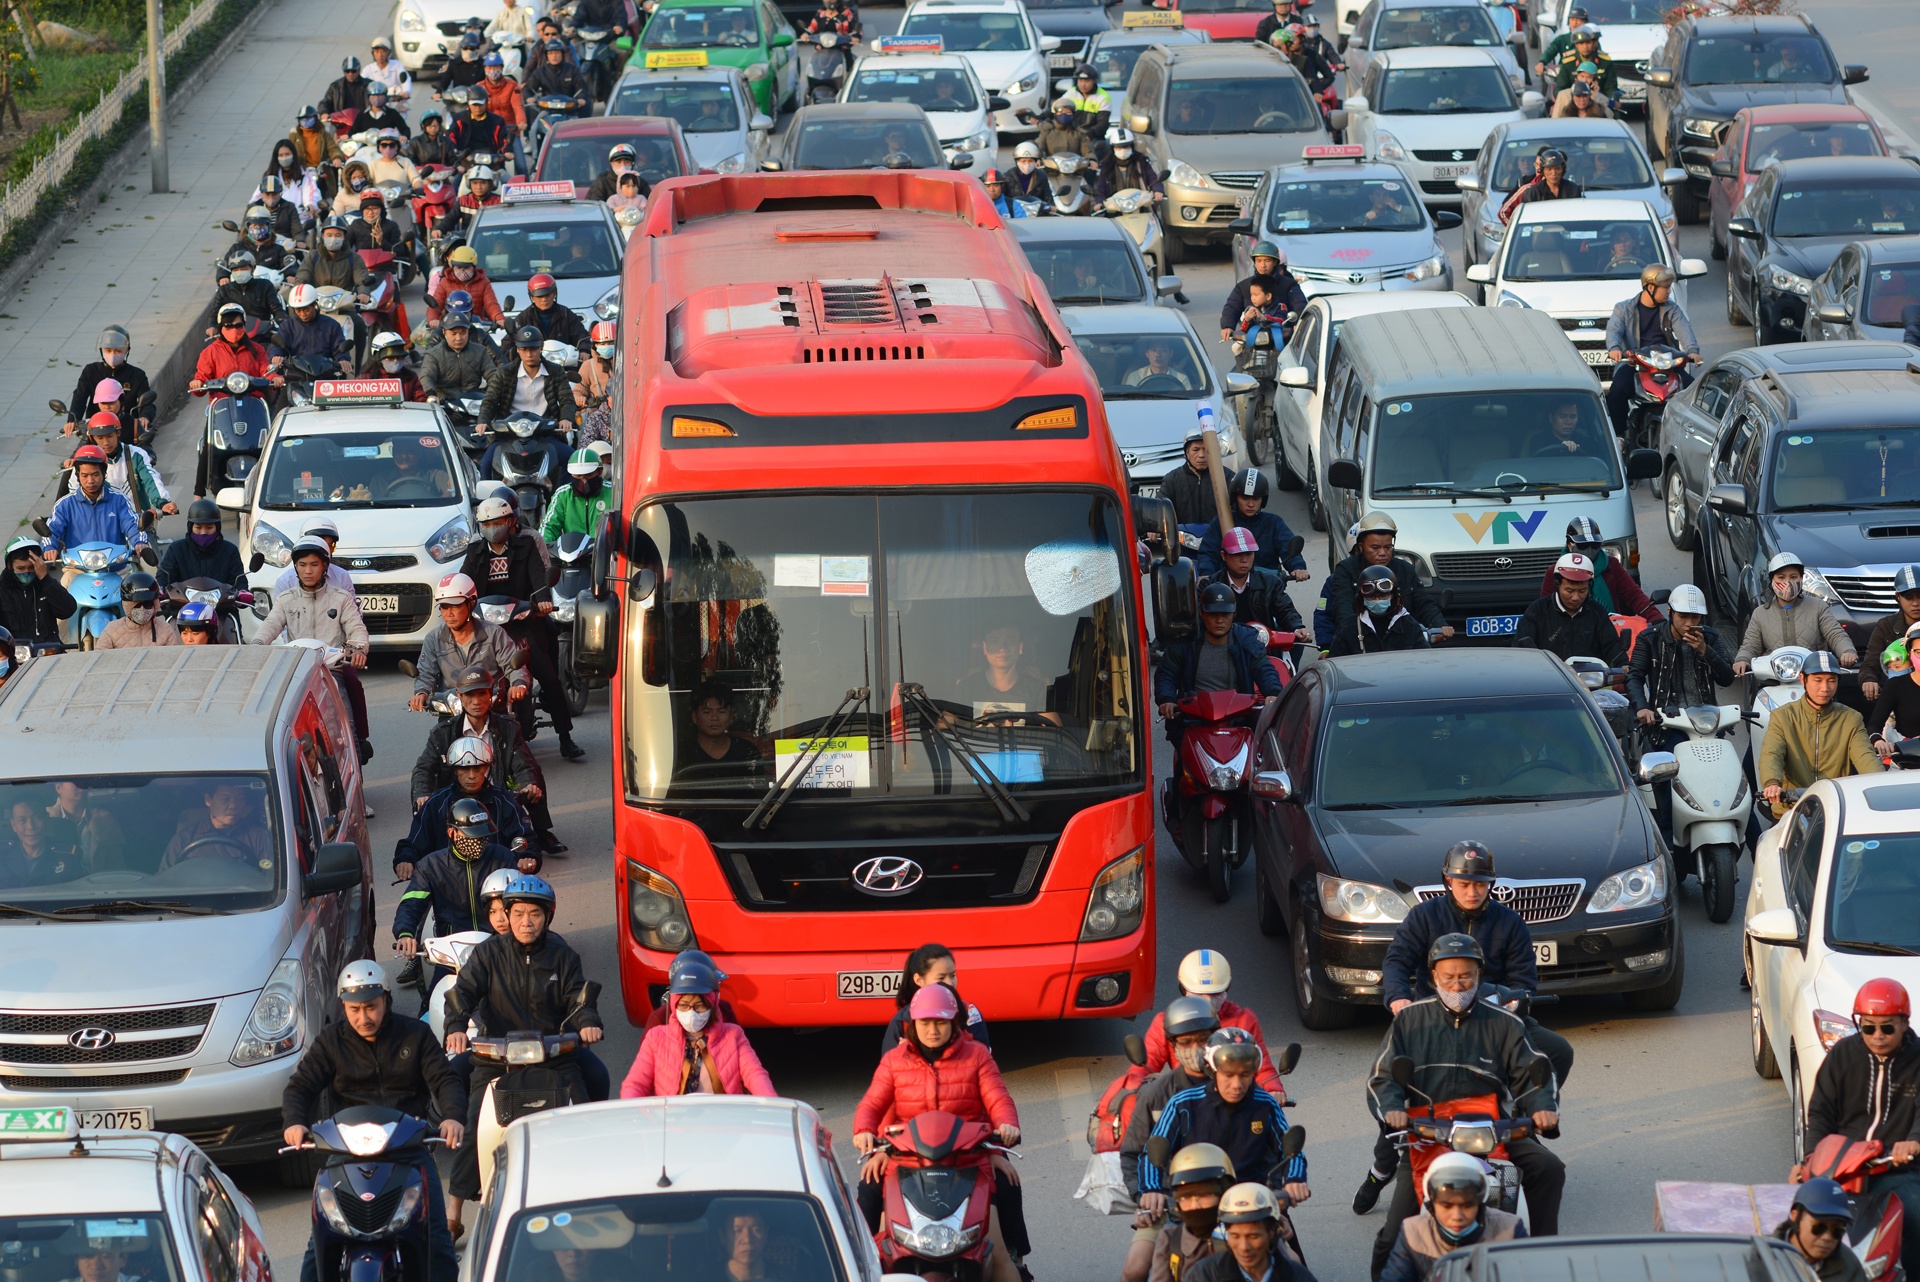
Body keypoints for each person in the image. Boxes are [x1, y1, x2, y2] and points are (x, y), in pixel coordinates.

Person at [1361, 840, 1575, 1209]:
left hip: (1493, 1019)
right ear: (1448, 881)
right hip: (1433, 1019)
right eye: (1464, 884)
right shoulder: (1424, 917)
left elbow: (1525, 981)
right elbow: (1397, 961)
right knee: (1400, 1083)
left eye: (1480, 884)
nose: (1472, 892)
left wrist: (1514, 1000)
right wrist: (1398, 998)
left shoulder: (1510, 922)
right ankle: (1383, 1168)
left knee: (1556, 1050)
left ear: (1491, 884)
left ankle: (1518, 1124)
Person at [1366, 934, 1562, 1276]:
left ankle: (1542, 1256)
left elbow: (1532, 1075)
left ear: (1480, 974)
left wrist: (1542, 1109)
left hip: (1493, 1130)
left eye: (1466, 976)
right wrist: (1393, 1109)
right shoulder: (1409, 1021)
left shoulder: (1505, 1023)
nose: (1457, 984)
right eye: (1448, 977)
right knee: (1393, 1233)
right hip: (1427, 1135)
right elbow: (1383, 1077)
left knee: (1548, 1168)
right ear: (1432, 978)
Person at [443, 876, 604, 1231]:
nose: (525, 921)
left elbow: (579, 999)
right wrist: (455, 1025)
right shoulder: (487, 955)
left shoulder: (564, 956)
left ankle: (594, 1193)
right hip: (495, 1058)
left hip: (555, 1056)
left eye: (534, 914)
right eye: (517, 913)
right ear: (506, 915)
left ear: (548, 916)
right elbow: (463, 992)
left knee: (592, 1093)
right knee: (473, 1124)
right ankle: (452, 1214)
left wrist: (588, 1021)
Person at [853, 983, 1026, 1282]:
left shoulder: (977, 1056)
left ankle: (1018, 1257)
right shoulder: (894, 1061)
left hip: (968, 1162)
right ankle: (857, 1258)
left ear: (953, 1022)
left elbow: (999, 1099)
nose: (932, 1030)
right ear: (913, 1025)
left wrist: (1007, 1126)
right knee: (868, 1190)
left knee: (1004, 1208)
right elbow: (871, 1103)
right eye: (925, 1023)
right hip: (906, 1161)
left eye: (940, 1023)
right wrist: (864, 1133)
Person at [1799, 979, 1920, 1281]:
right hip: (1842, 1167)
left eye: (1887, 1028)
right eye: (1868, 1027)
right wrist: (1810, 1158)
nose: (1877, 1036)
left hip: (1895, 1168)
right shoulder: (1842, 1055)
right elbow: (1821, 1111)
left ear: (1904, 1024)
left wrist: (1914, 1142)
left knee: (1916, 1216)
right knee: (1799, 1215)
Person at [460, 495, 582, 760]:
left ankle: (565, 737)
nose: (493, 527)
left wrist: (544, 602)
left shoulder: (526, 544)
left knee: (549, 678)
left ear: (511, 521)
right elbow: (464, 583)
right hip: (487, 629)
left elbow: (540, 577)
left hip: (523, 624)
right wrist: (458, 602)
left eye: (498, 521)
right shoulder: (475, 552)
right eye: (487, 523)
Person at [1139, 1032, 1308, 1206]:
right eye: (1228, 1075)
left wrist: (1294, 1179)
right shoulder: (1182, 1104)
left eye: (1244, 1075)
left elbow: (1290, 1151)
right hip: (1196, 1206)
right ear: (1213, 1071)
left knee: (1284, 1233)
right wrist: (1152, 1190)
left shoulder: (1266, 1105)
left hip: (1254, 1204)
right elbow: (1152, 1152)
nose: (1236, 1085)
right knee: (1154, 1232)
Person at [1155, 584, 1284, 809]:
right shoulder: (1185, 641)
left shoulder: (1246, 639)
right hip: (1194, 719)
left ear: (1233, 614)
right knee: (1183, 774)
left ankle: (1264, 816)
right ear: (1202, 614)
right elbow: (1167, 673)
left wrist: (1273, 693)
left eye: (1225, 614)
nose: (1219, 620)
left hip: (1238, 720)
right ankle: (1177, 813)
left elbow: (1264, 668)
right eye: (1213, 614)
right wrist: (1167, 699)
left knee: (1263, 765)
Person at [413, 665, 562, 851]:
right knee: (427, 843)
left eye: (482, 694)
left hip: (495, 794)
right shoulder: (442, 733)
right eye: (470, 695)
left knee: (535, 775)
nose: (476, 701)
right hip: (456, 797)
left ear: (490, 695)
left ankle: (541, 832)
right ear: (460, 697)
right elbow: (424, 768)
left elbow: (523, 765)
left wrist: (528, 784)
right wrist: (422, 795)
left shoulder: (509, 727)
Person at [395, 794, 540, 980]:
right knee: (432, 1004)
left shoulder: (503, 857)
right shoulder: (430, 866)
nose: (478, 841)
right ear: (451, 833)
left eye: (482, 835)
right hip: (451, 953)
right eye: (471, 835)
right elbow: (411, 903)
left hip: (499, 947)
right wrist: (405, 933)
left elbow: (522, 900)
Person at [255, 537, 372, 755]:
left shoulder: (341, 599)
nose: (308, 571)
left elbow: (357, 627)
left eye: (314, 564)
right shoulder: (285, 599)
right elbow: (270, 625)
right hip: (295, 673)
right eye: (302, 565)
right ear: (295, 568)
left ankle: (357, 752)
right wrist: (257, 644)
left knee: (347, 727)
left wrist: (357, 649)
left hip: (331, 672)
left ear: (325, 566)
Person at [1758, 650, 1884, 818]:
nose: (1825, 688)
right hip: (1791, 809)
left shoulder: (1851, 718)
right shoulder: (1783, 717)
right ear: (1803, 679)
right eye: (1818, 680)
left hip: (1835, 808)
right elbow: (1772, 753)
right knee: (1769, 843)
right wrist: (1772, 783)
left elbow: (1866, 757)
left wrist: (1881, 785)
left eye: (1831, 680)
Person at [620, 960, 776, 1096]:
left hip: (724, 1122)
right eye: (684, 1005)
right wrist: (632, 1115)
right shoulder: (656, 1037)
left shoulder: (733, 1035)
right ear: (674, 1006)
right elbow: (635, 1084)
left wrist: (770, 1101)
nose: (691, 1013)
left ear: (712, 1005)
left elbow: (755, 1074)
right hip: (673, 1124)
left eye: (699, 1006)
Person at [1142, 951, 1286, 1095]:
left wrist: (1273, 1090)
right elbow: (1141, 1071)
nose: (1209, 1001)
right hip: (1184, 1102)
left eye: (1215, 994)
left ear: (1226, 989)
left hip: (1233, 1104)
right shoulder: (1166, 1023)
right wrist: (1128, 1100)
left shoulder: (1243, 1020)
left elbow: (1262, 1067)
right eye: (1200, 994)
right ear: (1184, 990)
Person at [396, 736, 535, 885]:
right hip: (446, 884)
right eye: (464, 768)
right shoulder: (436, 803)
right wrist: (405, 859)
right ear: (455, 770)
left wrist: (527, 857)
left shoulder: (505, 801)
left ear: (487, 768)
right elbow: (415, 840)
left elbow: (525, 838)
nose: (471, 776)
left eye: (478, 768)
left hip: (495, 882)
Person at [1380, 1154, 1527, 1282]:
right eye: (1446, 1206)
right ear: (1432, 1203)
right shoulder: (1413, 1231)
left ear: (1480, 1202)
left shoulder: (1511, 1229)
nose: (1457, 1216)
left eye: (1467, 1206)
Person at [1322, 512, 1450, 643]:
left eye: (1388, 547)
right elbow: (1342, 605)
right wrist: (1353, 632)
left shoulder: (1405, 569)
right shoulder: (1346, 569)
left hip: (1402, 639)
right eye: (1375, 547)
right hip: (1360, 641)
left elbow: (1423, 602)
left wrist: (1440, 624)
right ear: (1361, 547)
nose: (1382, 553)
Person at [1605, 265, 1699, 439]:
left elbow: (1685, 332)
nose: (1669, 291)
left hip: (1668, 365)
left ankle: (1690, 435)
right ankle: (1617, 436)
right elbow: (1613, 331)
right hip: (1636, 364)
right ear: (1650, 288)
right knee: (1617, 390)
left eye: (1670, 287)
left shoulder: (1673, 309)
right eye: (1665, 287)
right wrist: (1615, 349)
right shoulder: (1623, 309)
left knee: (1695, 391)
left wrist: (1692, 351)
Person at [411, 572, 529, 710]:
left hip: (491, 706)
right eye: (444, 607)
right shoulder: (433, 639)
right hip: (452, 708)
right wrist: (421, 692)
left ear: (471, 604)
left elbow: (513, 665)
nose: (449, 614)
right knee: (438, 732)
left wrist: (518, 684)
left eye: (455, 606)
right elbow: (426, 673)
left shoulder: (494, 633)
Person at [1734, 552, 1857, 674]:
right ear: (1772, 580)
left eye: (1793, 577)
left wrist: (1846, 651)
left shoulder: (1818, 607)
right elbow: (1750, 645)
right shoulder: (1760, 614)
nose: (1788, 583)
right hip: (1774, 679)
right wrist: (1743, 659)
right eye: (1781, 578)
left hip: (1811, 677)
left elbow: (1835, 634)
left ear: (1801, 578)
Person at [479, 326, 582, 458]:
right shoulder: (504, 373)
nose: (529, 354)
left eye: (533, 348)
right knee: (486, 464)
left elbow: (567, 399)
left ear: (541, 347)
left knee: (570, 459)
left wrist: (566, 418)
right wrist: (483, 421)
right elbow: (490, 400)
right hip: (509, 435)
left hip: (545, 434)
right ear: (517, 349)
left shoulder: (556, 371)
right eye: (524, 349)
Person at [1536, 516, 1661, 623]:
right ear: (1569, 545)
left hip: (1609, 630)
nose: (1589, 551)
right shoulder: (1555, 571)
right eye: (1583, 545)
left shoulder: (1612, 565)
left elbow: (1635, 596)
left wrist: (1658, 621)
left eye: (1595, 545)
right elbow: (1545, 610)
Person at [1185, 1185, 1319, 1282]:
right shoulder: (1203, 1275)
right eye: (1235, 1236)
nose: (1244, 1247)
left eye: (1253, 1236)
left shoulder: (1297, 1276)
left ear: (1272, 1233)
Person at [45, 445, 151, 568]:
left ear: (104, 473)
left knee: (143, 584)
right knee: (63, 585)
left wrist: (140, 542)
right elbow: (51, 530)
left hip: (117, 568)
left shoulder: (119, 500)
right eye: (84, 475)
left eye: (95, 474)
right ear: (78, 475)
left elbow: (132, 525)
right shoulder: (64, 504)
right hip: (77, 569)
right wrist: (50, 547)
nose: (90, 480)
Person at [1194, 470, 1310, 582]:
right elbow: (1208, 552)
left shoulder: (1274, 523)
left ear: (1263, 500)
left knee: (1285, 603)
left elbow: (1287, 545)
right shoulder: (1221, 523)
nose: (1250, 504)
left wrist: (1297, 567)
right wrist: (1206, 574)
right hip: (1230, 588)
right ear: (1235, 498)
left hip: (1268, 588)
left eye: (1255, 499)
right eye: (1245, 498)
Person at [1514, 552, 1628, 665]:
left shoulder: (1597, 612)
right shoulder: (1538, 611)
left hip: (1592, 679)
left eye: (1582, 591)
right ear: (1557, 584)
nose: (1576, 597)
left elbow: (1612, 647)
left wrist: (1623, 665)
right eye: (1569, 591)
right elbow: (1521, 650)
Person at [59, 413, 171, 524]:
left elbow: (151, 480)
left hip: (139, 522)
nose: (106, 443)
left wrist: (163, 502)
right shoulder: (84, 460)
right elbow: (74, 491)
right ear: (92, 438)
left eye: (109, 436)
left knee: (148, 541)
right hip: (102, 526)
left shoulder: (136, 455)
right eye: (100, 438)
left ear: (118, 433)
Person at [880, 943, 991, 1054]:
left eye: (952, 975)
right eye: (941, 978)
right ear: (919, 980)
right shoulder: (902, 1021)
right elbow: (889, 1066)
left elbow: (982, 1059)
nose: (950, 983)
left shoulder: (969, 1013)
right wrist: (906, 1055)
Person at [1145, 1144, 1234, 1282]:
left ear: (1224, 1194)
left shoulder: (1248, 1235)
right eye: (1185, 1198)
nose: (1194, 1206)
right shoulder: (1171, 1240)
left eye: (1205, 1195)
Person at [1205, 528, 1304, 647]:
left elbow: (1285, 609)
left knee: (1296, 648)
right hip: (1222, 649)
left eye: (1249, 554)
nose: (1244, 560)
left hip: (1263, 647)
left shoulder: (1271, 583)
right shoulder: (1208, 586)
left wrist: (1297, 627)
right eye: (1237, 554)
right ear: (1223, 555)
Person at [157, 780, 275, 869]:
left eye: (239, 798)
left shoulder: (259, 837)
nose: (233, 805)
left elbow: (268, 877)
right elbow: (165, 880)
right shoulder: (184, 839)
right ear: (208, 800)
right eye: (225, 799)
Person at [64, 326, 152, 439]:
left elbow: (146, 401)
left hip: (127, 430)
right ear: (102, 350)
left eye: (118, 351)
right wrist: (73, 420)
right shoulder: (90, 371)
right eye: (108, 350)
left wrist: (145, 416)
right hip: (95, 430)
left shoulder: (137, 375)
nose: (112, 355)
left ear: (127, 351)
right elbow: (79, 397)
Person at [1331, 564, 1432, 656]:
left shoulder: (1409, 626)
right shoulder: (1348, 627)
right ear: (1362, 598)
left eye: (1383, 596)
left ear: (1393, 596)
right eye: (1372, 597)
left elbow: (1424, 661)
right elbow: (1336, 662)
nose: (1377, 600)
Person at [1220, 243, 1307, 344]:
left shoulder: (1288, 284)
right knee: (1237, 350)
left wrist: (1299, 324)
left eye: (1267, 260)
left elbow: (1300, 305)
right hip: (1251, 338)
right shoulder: (1243, 286)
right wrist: (1227, 326)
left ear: (1275, 262)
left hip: (1283, 337)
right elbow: (1231, 307)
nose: (1263, 265)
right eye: (1258, 261)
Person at [676, 681, 768, 776]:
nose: (714, 717)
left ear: (731, 715)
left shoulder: (747, 751)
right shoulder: (681, 754)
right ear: (694, 716)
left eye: (721, 711)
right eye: (707, 712)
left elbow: (759, 786)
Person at [1860, 565, 1920, 703]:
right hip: (1899, 696)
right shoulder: (1885, 626)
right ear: (1898, 597)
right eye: (1909, 597)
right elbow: (1870, 664)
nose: (1916, 603)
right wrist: (1869, 680)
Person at [0, 535, 76, 643]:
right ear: (9, 566)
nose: (26, 572)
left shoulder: (45, 585)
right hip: (15, 654)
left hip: (48, 651)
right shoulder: (2, 589)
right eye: (21, 568)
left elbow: (68, 610)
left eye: (31, 567)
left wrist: (45, 579)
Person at [158, 498, 245, 590]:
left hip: (222, 603)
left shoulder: (230, 550)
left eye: (209, 527)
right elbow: (164, 577)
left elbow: (239, 580)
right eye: (198, 527)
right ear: (191, 527)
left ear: (217, 527)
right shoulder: (176, 550)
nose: (203, 532)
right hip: (182, 603)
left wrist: (243, 592)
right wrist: (160, 589)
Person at [421, 312, 498, 401]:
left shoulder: (480, 351)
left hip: (473, 400)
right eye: (453, 334)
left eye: (463, 333)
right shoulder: (433, 354)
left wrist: (493, 392)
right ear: (444, 332)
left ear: (468, 331)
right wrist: (431, 394)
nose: (459, 338)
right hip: (445, 403)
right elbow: (426, 376)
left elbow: (493, 374)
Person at [91, 573, 177, 649]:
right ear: (128, 604)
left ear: (155, 604)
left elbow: (173, 660)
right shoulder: (112, 630)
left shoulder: (166, 630)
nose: (142, 609)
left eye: (148, 604)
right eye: (137, 604)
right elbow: (100, 661)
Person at [1159, 427, 1222, 530]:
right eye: (1196, 450)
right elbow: (1160, 508)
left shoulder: (1226, 478)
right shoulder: (1171, 480)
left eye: (1206, 450)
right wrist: (1156, 525)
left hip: (1217, 541)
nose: (1201, 455)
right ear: (1187, 452)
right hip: (1181, 542)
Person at [511, 273, 592, 352]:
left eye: (547, 295)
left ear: (554, 293)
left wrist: (584, 350)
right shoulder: (522, 319)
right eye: (539, 296)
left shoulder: (566, 314)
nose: (544, 299)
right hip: (534, 364)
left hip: (565, 363)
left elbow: (581, 336)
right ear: (531, 297)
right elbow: (509, 343)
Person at [296, 218, 374, 297]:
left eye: (338, 235)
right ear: (322, 236)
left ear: (344, 237)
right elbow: (303, 276)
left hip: (345, 303)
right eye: (329, 235)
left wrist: (363, 293)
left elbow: (362, 280)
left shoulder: (355, 258)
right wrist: (299, 289)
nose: (333, 238)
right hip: (317, 301)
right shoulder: (312, 256)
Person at [524, 37, 591, 116]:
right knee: (534, 127)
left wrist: (581, 98)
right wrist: (529, 98)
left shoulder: (572, 69)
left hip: (569, 110)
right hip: (547, 110)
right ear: (546, 55)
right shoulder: (540, 72)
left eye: (557, 52)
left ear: (562, 54)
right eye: (550, 53)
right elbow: (528, 88)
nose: (554, 56)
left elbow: (581, 87)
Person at [1099, 129, 1161, 203]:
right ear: (1113, 148)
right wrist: (1099, 202)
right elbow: (1100, 188)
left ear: (1131, 147)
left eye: (1126, 147)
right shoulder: (1106, 165)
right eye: (1119, 147)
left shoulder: (1141, 161)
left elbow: (1153, 178)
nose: (1123, 150)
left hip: (1140, 204)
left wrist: (1158, 190)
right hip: (1114, 208)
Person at [1513, 148, 1583, 210]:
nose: (1553, 173)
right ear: (1543, 170)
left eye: (1557, 169)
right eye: (1549, 169)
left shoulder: (1573, 189)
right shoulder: (1532, 193)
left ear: (1562, 169)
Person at [1553, 26, 1614, 96]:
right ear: (1576, 45)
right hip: (1573, 102)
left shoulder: (1604, 61)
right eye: (1581, 43)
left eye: (1588, 43)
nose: (1585, 47)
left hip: (1598, 101)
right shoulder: (1568, 62)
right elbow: (1559, 89)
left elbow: (1611, 88)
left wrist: (1601, 97)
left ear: (1593, 43)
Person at [1035, 101, 1100, 164]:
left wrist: (1092, 159)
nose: (1064, 114)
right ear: (1055, 114)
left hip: (1075, 170)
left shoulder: (1079, 133)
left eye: (1068, 112)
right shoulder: (1047, 130)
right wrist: (1038, 159)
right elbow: (1040, 147)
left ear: (1073, 114)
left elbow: (1087, 150)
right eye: (1060, 112)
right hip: (1051, 170)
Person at [1534, 5, 1588, 79]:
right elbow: (1550, 51)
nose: (1575, 23)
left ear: (1585, 22)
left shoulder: (1590, 40)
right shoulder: (1562, 39)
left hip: (1586, 77)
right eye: (1572, 19)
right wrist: (1542, 62)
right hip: (1565, 76)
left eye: (1578, 20)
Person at [366, 35, 414, 103]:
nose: (380, 55)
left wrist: (406, 92)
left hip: (395, 102)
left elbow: (406, 81)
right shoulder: (368, 69)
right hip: (377, 102)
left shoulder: (397, 65)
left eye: (382, 52)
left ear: (388, 53)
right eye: (377, 52)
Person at [1007, 141, 1053, 208]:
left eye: (1030, 161)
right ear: (1017, 161)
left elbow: (1048, 198)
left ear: (1035, 161)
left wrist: (1051, 207)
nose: (1027, 164)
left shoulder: (1041, 177)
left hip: (1036, 214)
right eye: (1023, 161)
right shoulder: (1008, 177)